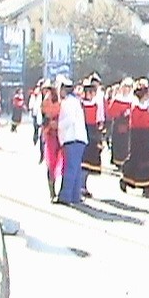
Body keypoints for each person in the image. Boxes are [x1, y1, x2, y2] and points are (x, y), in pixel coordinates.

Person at [119, 79, 149, 197]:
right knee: (136, 159)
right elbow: (136, 122)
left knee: (148, 161)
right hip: (137, 136)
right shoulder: (135, 107)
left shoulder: (148, 106)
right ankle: (126, 180)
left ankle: (147, 186)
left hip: (147, 135)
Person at [57, 77, 87, 205]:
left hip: (72, 138)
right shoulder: (74, 101)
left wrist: (57, 126)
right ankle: (74, 196)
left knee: (70, 168)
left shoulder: (68, 102)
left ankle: (66, 195)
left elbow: (69, 120)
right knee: (75, 169)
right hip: (78, 139)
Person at [79, 79, 103, 198]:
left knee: (89, 161)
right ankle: (80, 185)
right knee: (83, 160)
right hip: (84, 130)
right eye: (91, 91)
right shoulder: (81, 104)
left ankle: (83, 185)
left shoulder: (95, 104)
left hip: (93, 131)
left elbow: (98, 119)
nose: (92, 94)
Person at [41, 79, 63, 201]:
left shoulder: (60, 101)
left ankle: (56, 190)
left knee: (58, 162)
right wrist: (50, 124)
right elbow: (44, 119)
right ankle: (52, 191)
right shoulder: (45, 101)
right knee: (51, 163)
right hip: (50, 134)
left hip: (59, 134)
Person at [107, 77, 135, 168]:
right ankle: (118, 162)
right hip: (118, 124)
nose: (127, 89)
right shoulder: (117, 99)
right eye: (125, 87)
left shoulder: (133, 100)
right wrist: (120, 113)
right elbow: (111, 111)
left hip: (128, 125)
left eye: (129, 87)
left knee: (127, 144)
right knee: (118, 143)